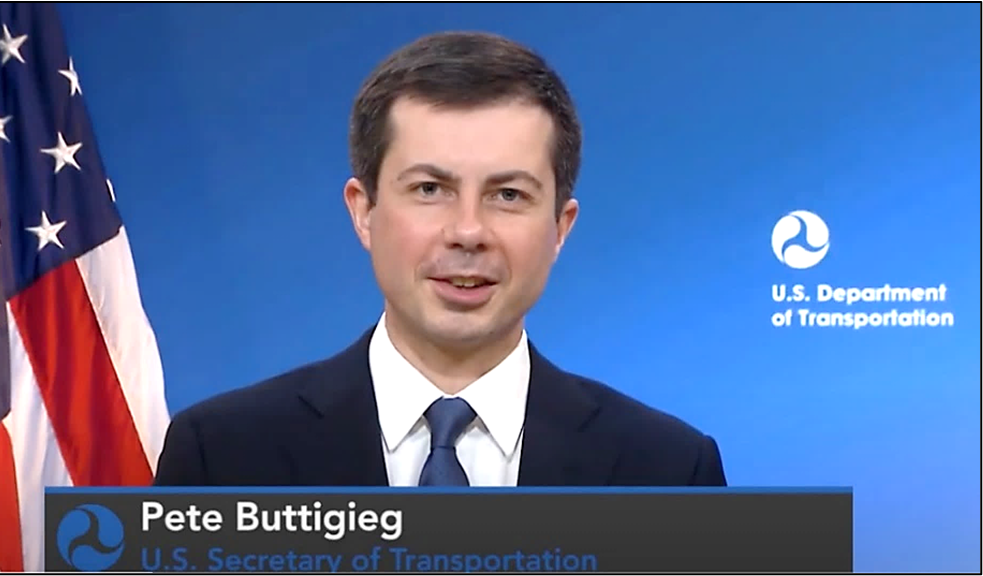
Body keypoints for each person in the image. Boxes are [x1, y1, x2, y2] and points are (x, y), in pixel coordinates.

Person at [153, 31, 727, 488]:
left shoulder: (669, 469)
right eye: (430, 189)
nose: (469, 231)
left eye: (508, 195)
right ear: (364, 211)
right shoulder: (221, 455)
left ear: (560, 227)